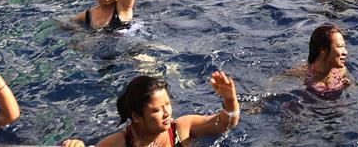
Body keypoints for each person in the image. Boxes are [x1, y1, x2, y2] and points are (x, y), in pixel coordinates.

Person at [63, 72, 240, 147]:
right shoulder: (120, 142)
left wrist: (230, 99)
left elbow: (225, 123)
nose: (167, 113)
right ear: (136, 116)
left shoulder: (181, 128)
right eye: (156, 110)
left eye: (168, 105)